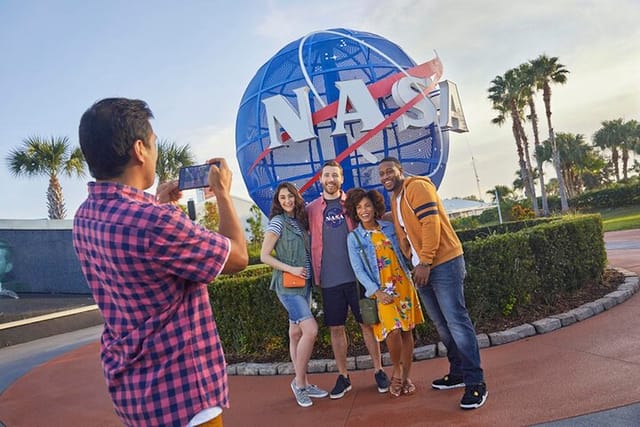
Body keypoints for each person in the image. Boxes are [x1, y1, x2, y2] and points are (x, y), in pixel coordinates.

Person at [73, 97, 248, 427]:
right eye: (154, 144)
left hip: (135, 395)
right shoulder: (155, 222)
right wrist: (223, 194)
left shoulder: (85, 217)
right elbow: (236, 256)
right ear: (139, 149)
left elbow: (137, 252)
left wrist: (158, 205)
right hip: (186, 397)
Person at [378, 156, 488, 409]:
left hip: (442, 264)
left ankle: (476, 382)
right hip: (421, 268)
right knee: (442, 324)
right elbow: (400, 223)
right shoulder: (396, 200)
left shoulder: (417, 186)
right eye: (381, 173)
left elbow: (431, 223)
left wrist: (425, 262)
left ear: (400, 170)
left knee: (457, 322)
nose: (385, 176)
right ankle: (458, 372)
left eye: (389, 171)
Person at [306, 160, 389, 399]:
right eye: (326, 176)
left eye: (335, 175)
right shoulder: (311, 209)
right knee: (336, 328)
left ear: (342, 179)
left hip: (358, 278)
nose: (331, 180)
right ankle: (343, 376)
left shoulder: (353, 204)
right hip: (330, 280)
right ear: (321, 180)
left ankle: (379, 369)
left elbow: (374, 219)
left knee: (368, 324)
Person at [344, 188, 425, 397]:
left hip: (404, 285)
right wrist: (375, 291)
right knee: (393, 331)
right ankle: (397, 370)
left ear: (375, 207)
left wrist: (418, 266)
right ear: (354, 211)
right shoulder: (354, 238)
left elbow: (407, 249)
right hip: (381, 290)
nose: (364, 210)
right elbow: (358, 270)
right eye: (359, 207)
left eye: (367, 205)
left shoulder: (389, 227)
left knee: (407, 332)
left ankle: (406, 377)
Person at [260, 182, 329, 407]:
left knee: (296, 334)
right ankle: (299, 383)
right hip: (288, 287)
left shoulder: (299, 222)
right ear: (278, 202)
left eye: (290, 197)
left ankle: (305, 382)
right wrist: (290, 269)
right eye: (283, 198)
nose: (287, 201)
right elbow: (264, 256)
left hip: (305, 285)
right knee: (311, 330)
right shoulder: (277, 222)